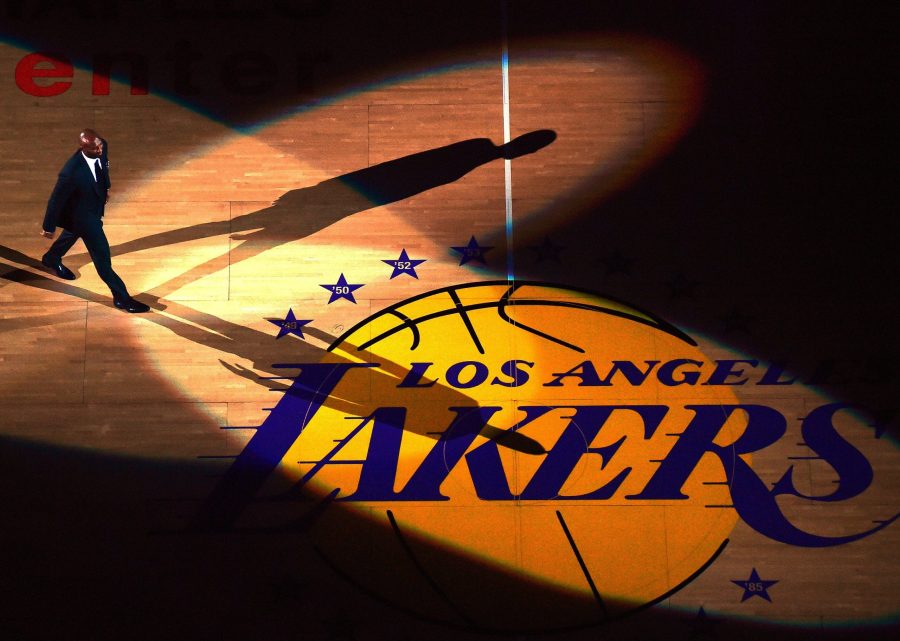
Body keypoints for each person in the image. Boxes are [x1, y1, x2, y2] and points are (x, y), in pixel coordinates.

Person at [40, 128, 149, 313]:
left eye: (99, 146)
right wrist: (48, 227)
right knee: (103, 262)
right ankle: (122, 299)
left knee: (72, 232)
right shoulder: (70, 172)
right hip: (85, 219)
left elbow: (103, 165)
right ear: (82, 147)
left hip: (91, 209)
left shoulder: (101, 146)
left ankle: (51, 258)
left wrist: (105, 188)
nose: (99, 150)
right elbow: (55, 201)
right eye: (94, 148)